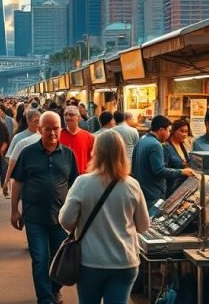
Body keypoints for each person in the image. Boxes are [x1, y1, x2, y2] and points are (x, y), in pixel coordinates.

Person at [59, 130, 150, 304]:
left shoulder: (83, 183)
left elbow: (66, 220)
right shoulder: (132, 185)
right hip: (125, 261)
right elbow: (143, 225)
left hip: (90, 261)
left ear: (96, 151)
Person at [10, 112, 78, 304]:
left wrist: (76, 214)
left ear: (61, 129)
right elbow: (18, 182)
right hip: (34, 217)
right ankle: (45, 299)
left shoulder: (68, 155)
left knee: (59, 259)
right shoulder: (28, 153)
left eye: (55, 128)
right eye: (47, 128)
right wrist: (15, 210)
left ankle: (54, 289)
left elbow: (75, 186)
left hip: (61, 218)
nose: (52, 132)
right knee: (40, 259)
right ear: (39, 130)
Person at [131, 115, 195, 216]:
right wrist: (182, 171)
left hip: (142, 189)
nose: (169, 133)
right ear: (161, 130)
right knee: (152, 223)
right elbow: (159, 171)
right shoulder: (156, 145)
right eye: (168, 130)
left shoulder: (142, 140)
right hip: (153, 193)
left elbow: (133, 165)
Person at [60, 105, 95, 174]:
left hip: (82, 178)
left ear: (78, 118)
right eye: (65, 114)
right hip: (63, 179)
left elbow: (93, 159)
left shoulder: (89, 137)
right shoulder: (58, 135)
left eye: (71, 115)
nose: (67, 117)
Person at [163, 119, 192, 195]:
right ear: (174, 131)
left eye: (186, 132)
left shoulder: (183, 144)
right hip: (171, 188)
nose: (184, 134)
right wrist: (182, 172)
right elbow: (163, 170)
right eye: (181, 131)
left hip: (183, 187)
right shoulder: (166, 146)